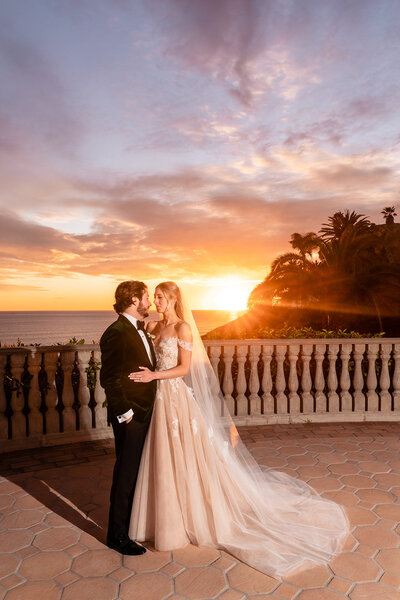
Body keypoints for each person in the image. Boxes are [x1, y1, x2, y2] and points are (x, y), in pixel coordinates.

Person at [128, 281, 349, 577]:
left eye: (160, 297)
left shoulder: (183, 329)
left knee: (187, 456)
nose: (156, 302)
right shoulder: (154, 328)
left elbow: (184, 368)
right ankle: (165, 519)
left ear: (173, 299)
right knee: (163, 456)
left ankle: (194, 515)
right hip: (158, 400)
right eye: (154, 297)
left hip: (175, 398)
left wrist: (154, 375)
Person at [100, 280, 157, 555]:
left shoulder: (139, 329)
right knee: (126, 473)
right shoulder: (116, 332)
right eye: (146, 297)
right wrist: (126, 414)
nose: (150, 303)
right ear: (134, 299)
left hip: (145, 410)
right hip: (131, 415)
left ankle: (131, 526)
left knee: (136, 471)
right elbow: (108, 379)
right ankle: (117, 536)